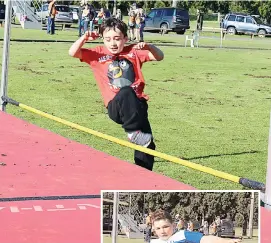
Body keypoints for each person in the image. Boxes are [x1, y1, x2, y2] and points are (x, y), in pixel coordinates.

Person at [68, 18, 164, 171]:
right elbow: (72, 52)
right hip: (116, 107)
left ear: (125, 38)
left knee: (147, 144)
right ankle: (132, 132)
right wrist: (84, 38)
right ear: (103, 40)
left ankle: (143, 175)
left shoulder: (134, 51)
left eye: (117, 39)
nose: (112, 43)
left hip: (137, 107)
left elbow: (159, 56)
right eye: (108, 39)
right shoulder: (97, 53)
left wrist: (148, 46)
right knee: (126, 90)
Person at [150, 210, 242, 243]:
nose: (162, 231)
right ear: (154, 229)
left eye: (165, 227)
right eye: (158, 228)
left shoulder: (183, 235)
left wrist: (226, 241)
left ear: (173, 225)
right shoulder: (153, 242)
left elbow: (206, 239)